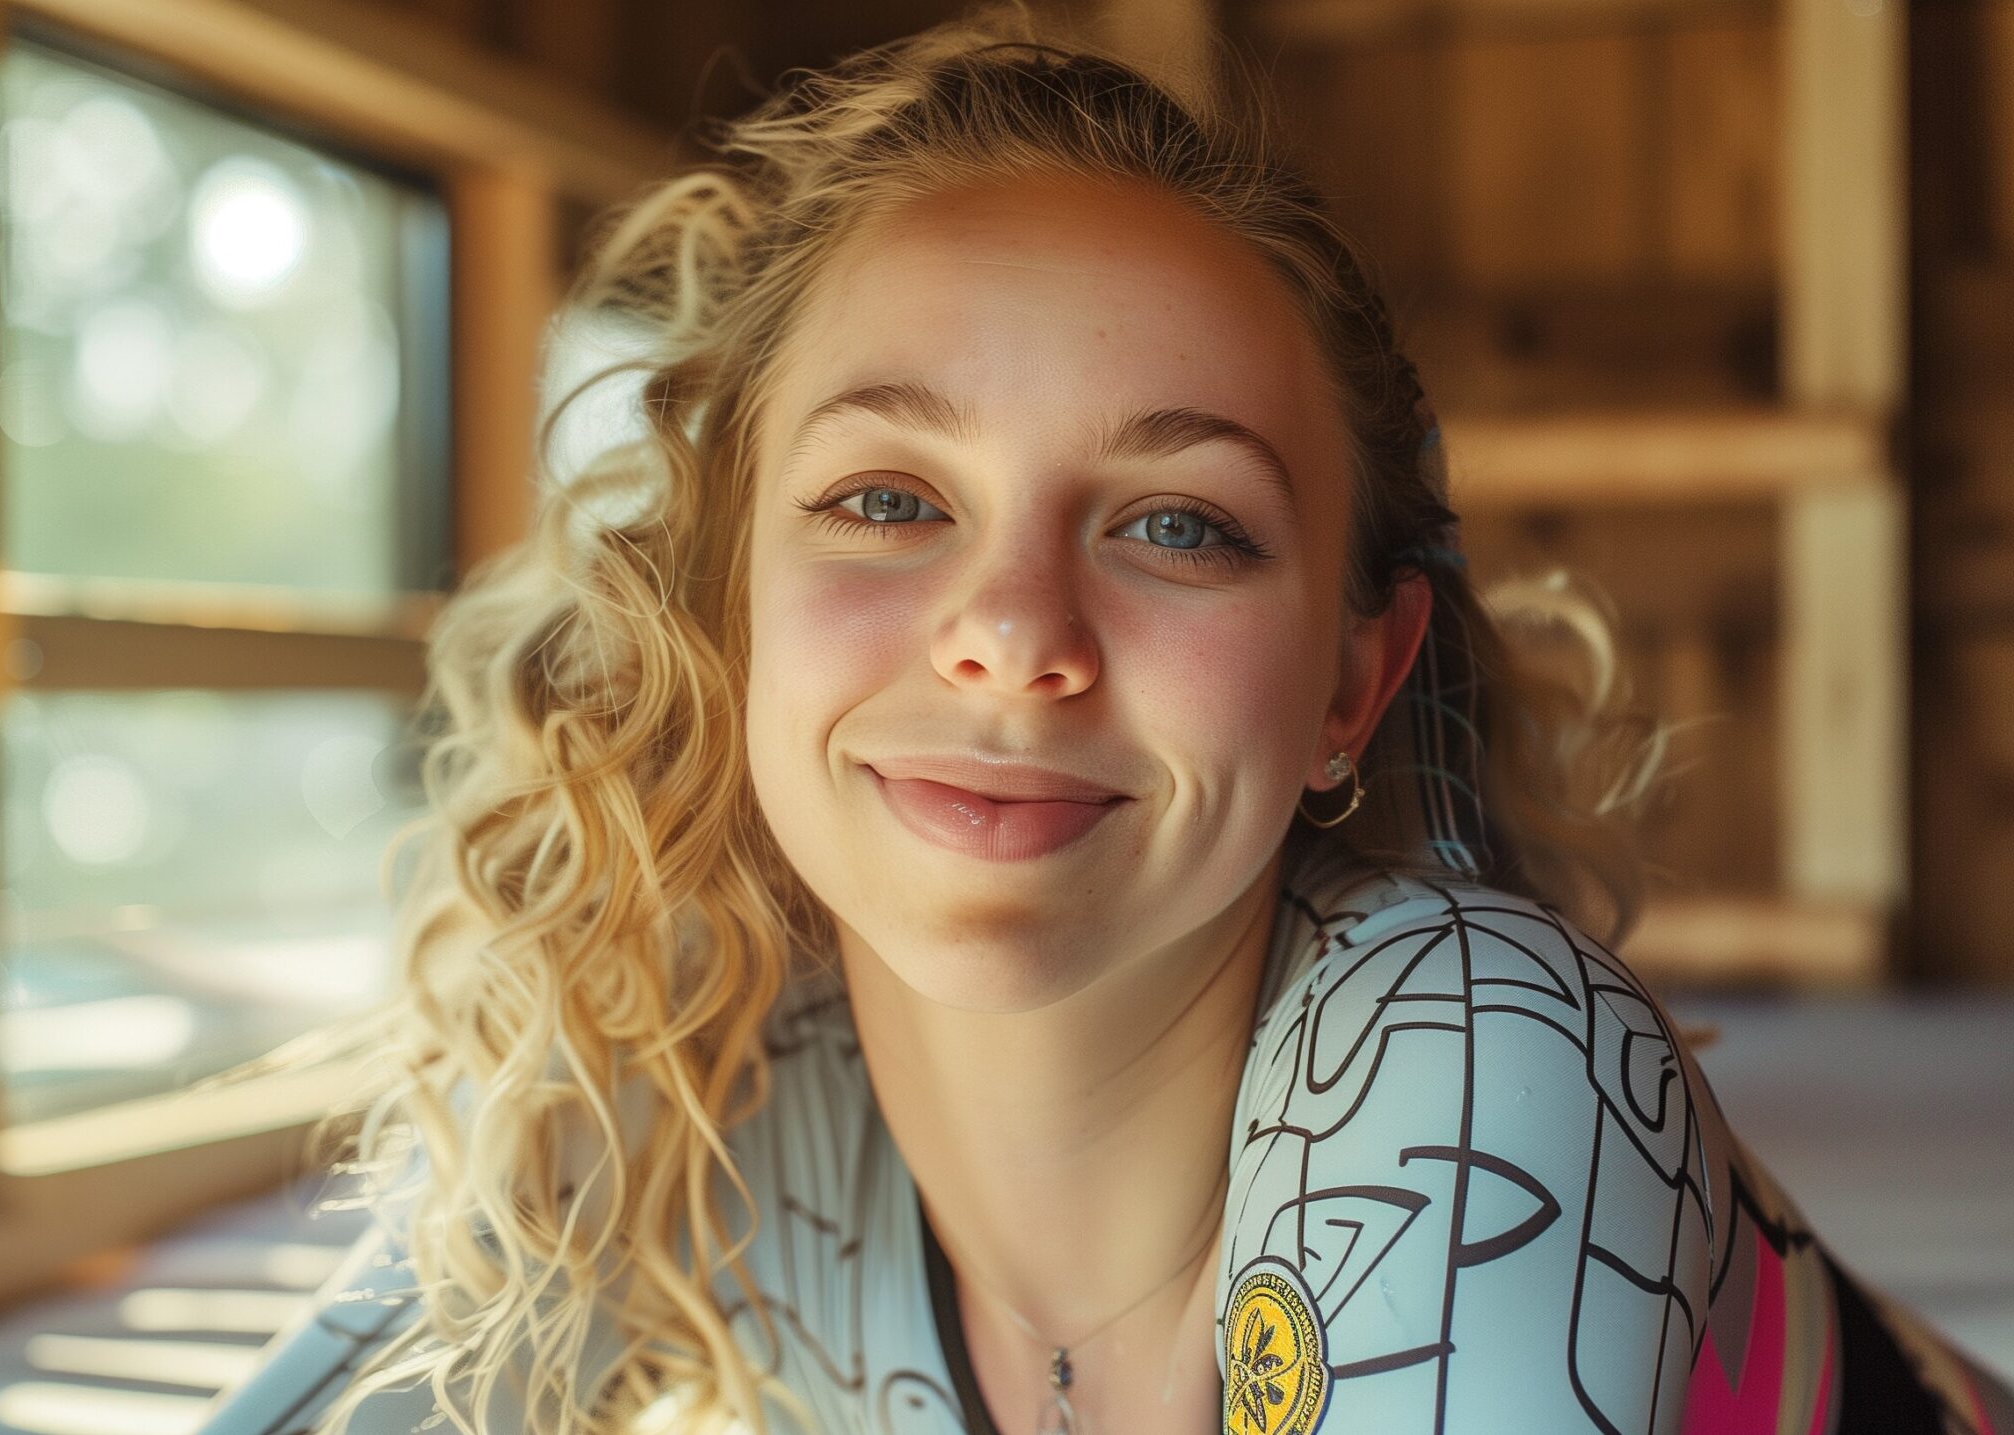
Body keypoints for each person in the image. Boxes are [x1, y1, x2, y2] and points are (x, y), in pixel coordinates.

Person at [188, 6, 2014, 1432]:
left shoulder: (1469, 1057)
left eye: (1177, 526)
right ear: (723, 610)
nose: (1011, 634)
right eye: (890, 500)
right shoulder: (685, 1071)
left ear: (1349, 687)